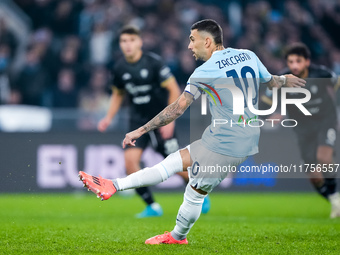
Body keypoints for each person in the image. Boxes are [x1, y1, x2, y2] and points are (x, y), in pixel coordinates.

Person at [79, 19, 305, 244]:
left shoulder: (205, 71)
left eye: (192, 40)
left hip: (227, 143)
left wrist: (141, 130)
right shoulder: (249, 55)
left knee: (193, 192)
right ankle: (115, 186)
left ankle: (173, 234)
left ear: (207, 41)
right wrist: (287, 79)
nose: (189, 46)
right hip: (235, 136)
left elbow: (177, 108)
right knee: (172, 164)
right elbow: (272, 81)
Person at [96, 26, 210, 218]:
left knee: (175, 166)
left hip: (160, 119)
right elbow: (118, 94)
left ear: (139, 42)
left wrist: (170, 120)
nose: (128, 45)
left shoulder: (154, 63)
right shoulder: (119, 68)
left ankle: (200, 191)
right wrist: (108, 117)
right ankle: (152, 206)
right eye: (124, 41)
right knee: (130, 162)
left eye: (131, 40)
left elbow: (174, 90)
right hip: (137, 122)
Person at [262, 43, 340, 218]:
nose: (294, 65)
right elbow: (267, 100)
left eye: (298, 61)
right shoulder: (282, 78)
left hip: (325, 121)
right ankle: (335, 201)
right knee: (314, 176)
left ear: (307, 62)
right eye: (291, 62)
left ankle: (335, 198)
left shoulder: (322, 74)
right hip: (302, 128)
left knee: (324, 157)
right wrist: (275, 113)